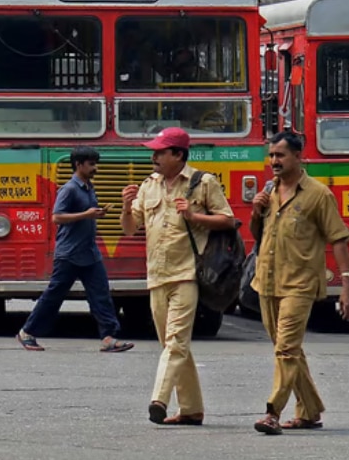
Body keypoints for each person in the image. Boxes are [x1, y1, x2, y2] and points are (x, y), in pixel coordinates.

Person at [121, 127, 235, 426]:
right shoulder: (149, 185)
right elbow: (131, 228)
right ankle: (192, 409)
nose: (154, 156)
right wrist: (125, 205)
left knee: (175, 342)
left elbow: (227, 219)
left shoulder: (203, 182)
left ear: (178, 155)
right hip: (156, 275)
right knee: (173, 345)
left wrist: (194, 216)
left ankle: (158, 399)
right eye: (154, 151)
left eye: (160, 151)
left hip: (187, 273)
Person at [251, 130, 349, 435]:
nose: (274, 161)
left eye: (280, 155)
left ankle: (272, 411)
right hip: (267, 282)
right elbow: (259, 237)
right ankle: (309, 411)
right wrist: (256, 211)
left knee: (286, 349)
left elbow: (338, 239)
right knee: (287, 350)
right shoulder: (269, 191)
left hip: (300, 284)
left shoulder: (317, 194)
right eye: (271, 156)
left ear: (298, 156)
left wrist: (347, 287)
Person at [16, 147, 134, 354]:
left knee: (101, 294)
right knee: (54, 296)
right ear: (79, 165)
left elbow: (85, 215)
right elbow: (57, 217)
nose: (95, 168)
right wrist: (86, 214)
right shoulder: (69, 189)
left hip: (89, 252)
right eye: (91, 164)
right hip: (69, 253)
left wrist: (96, 214)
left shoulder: (89, 187)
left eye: (95, 163)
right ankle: (27, 332)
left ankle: (108, 337)